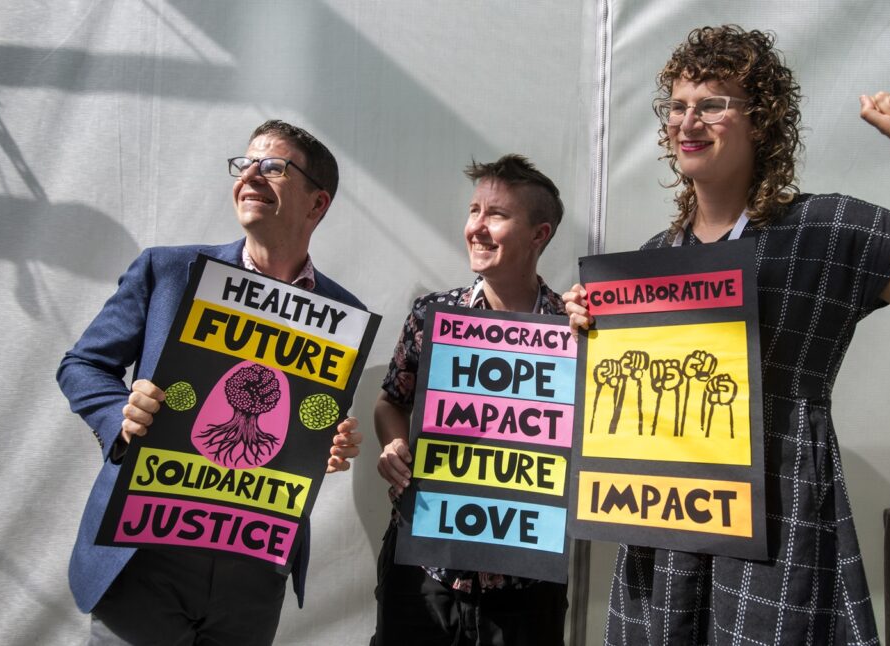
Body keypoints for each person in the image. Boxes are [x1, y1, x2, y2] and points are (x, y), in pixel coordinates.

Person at [562, 25, 890, 645]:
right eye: (677, 105)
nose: (687, 120)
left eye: (713, 103)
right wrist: (589, 338)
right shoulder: (649, 262)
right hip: (662, 539)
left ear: (761, 121)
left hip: (780, 530)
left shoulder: (829, 229)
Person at [57, 120, 366, 645]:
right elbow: (82, 365)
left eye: (274, 167)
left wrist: (332, 444)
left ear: (317, 205)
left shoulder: (343, 315)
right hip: (144, 556)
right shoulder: (168, 271)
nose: (250, 175)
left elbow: (302, 421)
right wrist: (120, 417)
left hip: (253, 570)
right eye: (244, 164)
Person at [372, 154, 569, 645]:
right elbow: (390, 402)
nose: (477, 227)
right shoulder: (432, 315)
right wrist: (395, 449)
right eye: (474, 210)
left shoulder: (574, 330)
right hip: (423, 568)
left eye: (496, 214)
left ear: (539, 235)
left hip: (526, 581)